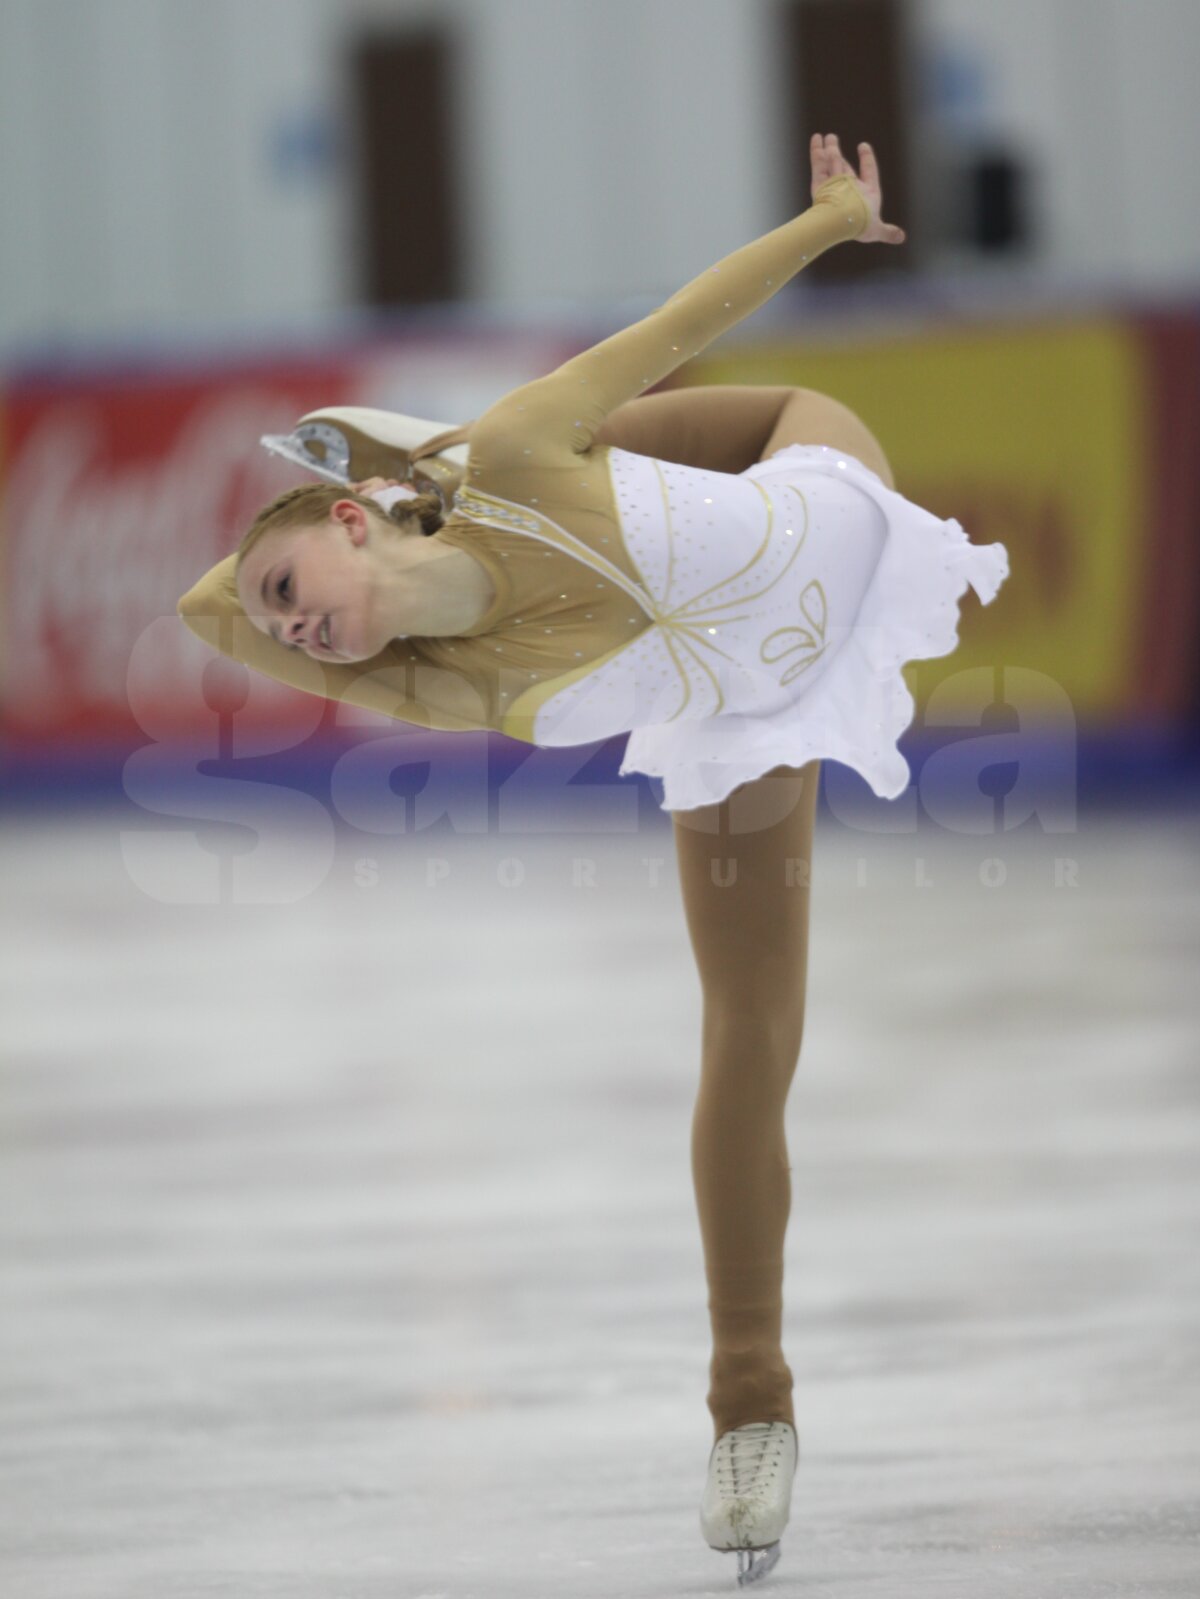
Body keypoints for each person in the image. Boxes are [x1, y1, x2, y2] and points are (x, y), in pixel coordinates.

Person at [178, 133, 1008, 1586]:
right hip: (744, 713)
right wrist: (304, 567)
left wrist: (828, 222)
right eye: (288, 623)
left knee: (563, 446)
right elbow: (206, 611)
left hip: (804, 482)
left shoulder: (505, 456)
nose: (289, 629)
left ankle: (411, 446)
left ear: (355, 518)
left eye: (295, 590)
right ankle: (750, 1407)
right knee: (747, 1043)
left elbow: (683, 325)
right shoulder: (448, 682)